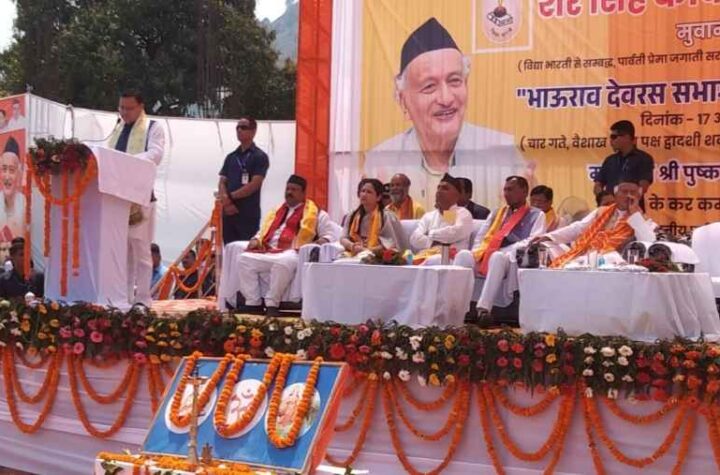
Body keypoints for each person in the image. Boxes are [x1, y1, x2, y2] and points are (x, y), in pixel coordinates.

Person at [364, 17, 527, 211]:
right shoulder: (381, 161)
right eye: (429, 86)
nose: (446, 98)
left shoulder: (503, 152)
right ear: (403, 99)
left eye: (454, 81)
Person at [237, 175, 336, 316]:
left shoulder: (317, 213)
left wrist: (317, 243)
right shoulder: (276, 211)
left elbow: (329, 235)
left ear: (303, 193)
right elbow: (263, 231)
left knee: (283, 262)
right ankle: (253, 302)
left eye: (294, 189)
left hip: (293, 252)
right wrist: (256, 239)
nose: (289, 192)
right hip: (269, 251)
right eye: (288, 189)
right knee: (244, 259)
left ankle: (272, 304)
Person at [455, 176, 545, 321]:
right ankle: (456, 306)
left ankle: (484, 310)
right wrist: (478, 252)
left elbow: (533, 240)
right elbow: (481, 236)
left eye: (511, 190)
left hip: (512, 258)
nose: (506, 193)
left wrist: (504, 251)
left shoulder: (536, 214)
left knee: (497, 257)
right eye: (505, 190)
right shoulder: (497, 212)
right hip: (487, 252)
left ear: (524, 192)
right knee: (463, 255)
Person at [108, 90, 165, 306]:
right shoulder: (118, 128)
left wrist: (128, 161)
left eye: (129, 108)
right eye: (121, 107)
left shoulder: (153, 127)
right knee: (122, 252)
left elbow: (155, 154)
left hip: (141, 198)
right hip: (118, 198)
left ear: (141, 106)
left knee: (141, 251)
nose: (124, 112)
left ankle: (142, 299)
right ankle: (123, 298)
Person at [534, 178, 657, 268]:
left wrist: (635, 214)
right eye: (624, 192)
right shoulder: (602, 211)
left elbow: (649, 241)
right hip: (587, 254)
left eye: (633, 193)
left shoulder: (643, 220)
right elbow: (578, 228)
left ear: (639, 197)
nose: (629, 196)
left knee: (608, 258)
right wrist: (549, 236)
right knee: (550, 248)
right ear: (616, 194)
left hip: (615, 261)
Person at [219, 117, 270, 244]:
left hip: (247, 214)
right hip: (228, 213)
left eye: (243, 127)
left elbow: (255, 184)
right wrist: (226, 202)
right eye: (237, 127)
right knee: (229, 248)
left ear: (253, 131)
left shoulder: (259, 156)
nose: (239, 130)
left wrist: (230, 197)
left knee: (245, 249)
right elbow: (222, 181)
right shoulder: (231, 157)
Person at [330, 178, 406, 262]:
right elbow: (343, 238)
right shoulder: (352, 215)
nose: (364, 194)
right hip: (354, 253)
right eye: (363, 191)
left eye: (369, 192)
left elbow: (389, 245)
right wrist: (352, 246)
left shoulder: (386, 216)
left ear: (378, 197)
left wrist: (366, 251)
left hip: (378, 257)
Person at [410, 174, 474, 265]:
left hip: (452, 261)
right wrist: (432, 243)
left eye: (445, 188)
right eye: (438, 188)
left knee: (435, 260)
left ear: (456, 195)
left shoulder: (462, 213)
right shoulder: (429, 216)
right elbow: (414, 238)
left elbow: (454, 233)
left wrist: (430, 233)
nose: (439, 191)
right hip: (425, 257)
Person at [593, 120, 654, 208]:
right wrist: (603, 196)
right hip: (610, 210)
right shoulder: (610, 160)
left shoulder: (643, 158)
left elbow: (643, 187)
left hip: (632, 210)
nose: (611, 140)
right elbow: (598, 185)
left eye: (614, 137)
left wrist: (621, 199)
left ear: (627, 137)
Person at [1, 136, 24, 238]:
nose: (7, 177)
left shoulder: (25, 204)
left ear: (18, 174)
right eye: (4, 169)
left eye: (11, 170)